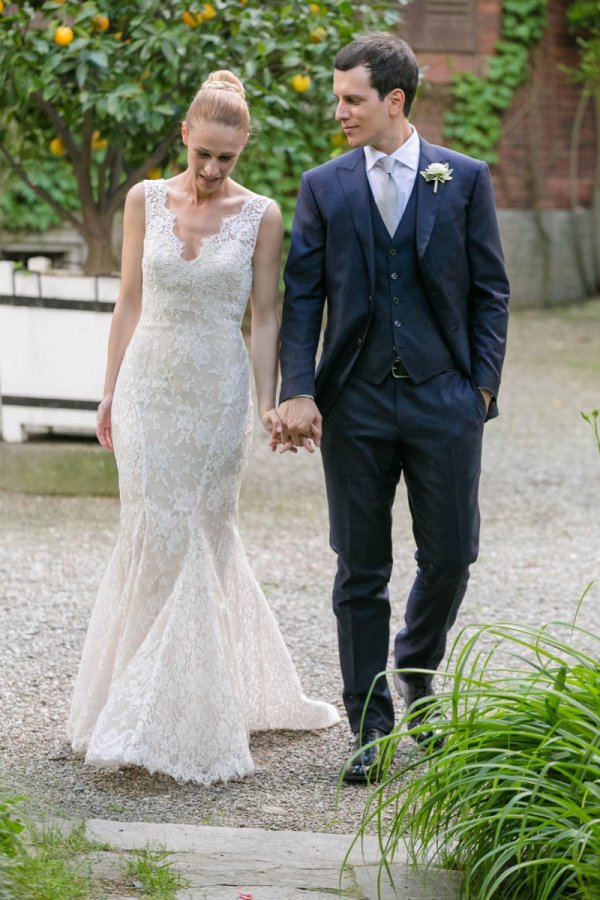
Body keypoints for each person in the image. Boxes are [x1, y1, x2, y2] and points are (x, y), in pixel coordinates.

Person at [67, 70, 339, 785]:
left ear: (243, 147)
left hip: (218, 394)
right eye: (203, 155)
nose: (214, 171)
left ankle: (181, 704)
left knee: (200, 534)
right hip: (148, 387)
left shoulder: (263, 215)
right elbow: (127, 302)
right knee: (153, 533)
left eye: (228, 157)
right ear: (185, 136)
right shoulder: (143, 200)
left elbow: (267, 315)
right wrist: (106, 392)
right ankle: (136, 700)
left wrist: (266, 402)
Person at [278, 34, 509, 782]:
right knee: (360, 565)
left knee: (451, 554)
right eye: (338, 96)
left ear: (395, 101)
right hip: (357, 400)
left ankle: (416, 667)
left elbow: (490, 289)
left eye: (351, 99)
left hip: (446, 396)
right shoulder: (325, 185)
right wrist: (299, 387)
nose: (337, 110)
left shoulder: (464, 178)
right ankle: (369, 725)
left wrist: (479, 388)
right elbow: (304, 294)